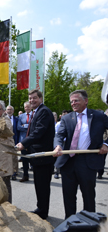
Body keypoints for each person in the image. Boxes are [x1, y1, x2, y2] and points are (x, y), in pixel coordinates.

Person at [53, 90, 108, 219]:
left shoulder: (98, 116)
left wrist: (106, 144)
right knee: (69, 196)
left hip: (88, 162)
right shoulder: (67, 118)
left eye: (76, 100)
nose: (73, 103)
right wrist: (58, 146)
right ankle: (70, 222)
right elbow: (59, 135)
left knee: (88, 196)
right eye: (71, 101)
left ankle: (89, 223)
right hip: (68, 162)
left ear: (86, 101)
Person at [16, 89, 55, 220]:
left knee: (42, 185)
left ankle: (43, 211)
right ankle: (41, 208)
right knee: (39, 184)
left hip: (43, 156)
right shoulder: (36, 112)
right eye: (30, 98)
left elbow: (38, 132)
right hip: (36, 155)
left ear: (41, 98)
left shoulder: (44, 111)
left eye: (34, 98)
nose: (32, 100)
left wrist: (24, 143)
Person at [17, 101, 32, 182]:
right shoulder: (21, 116)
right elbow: (19, 127)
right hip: (23, 141)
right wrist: (28, 126)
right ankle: (25, 175)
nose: (27, 108)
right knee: (24, 159)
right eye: (25, 107)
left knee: (33, 158)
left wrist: (25, 126)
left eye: (28, 107)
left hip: (32, 140)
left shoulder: (34, 115)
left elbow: (33, 127)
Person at [6, 105, 19, 180]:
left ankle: (14, 173)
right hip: (5, 141)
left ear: (13, 111)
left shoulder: (16, 119)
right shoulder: (2, 119)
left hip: (14, 141)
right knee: (7, 157)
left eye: (11, 109)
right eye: (8, 109)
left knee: (14, 157)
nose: (9, 111)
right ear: (6, 111)